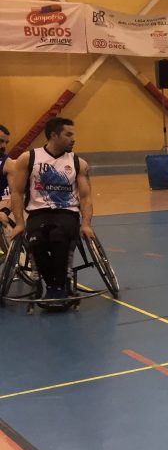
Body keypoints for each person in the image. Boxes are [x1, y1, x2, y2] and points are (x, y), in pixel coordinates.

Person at [5, 117, 95, 309]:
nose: (73, 139)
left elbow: (86, 198)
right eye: (68, 134)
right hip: (38, 213)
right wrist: (20, 223)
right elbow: (17, 193)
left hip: (67, 213)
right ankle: (52, 286)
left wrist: (86, 223)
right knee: (36, 241)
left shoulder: (79, 163)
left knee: (58, 237)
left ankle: (58, 287)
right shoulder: (28, 159)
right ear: (54, 135)